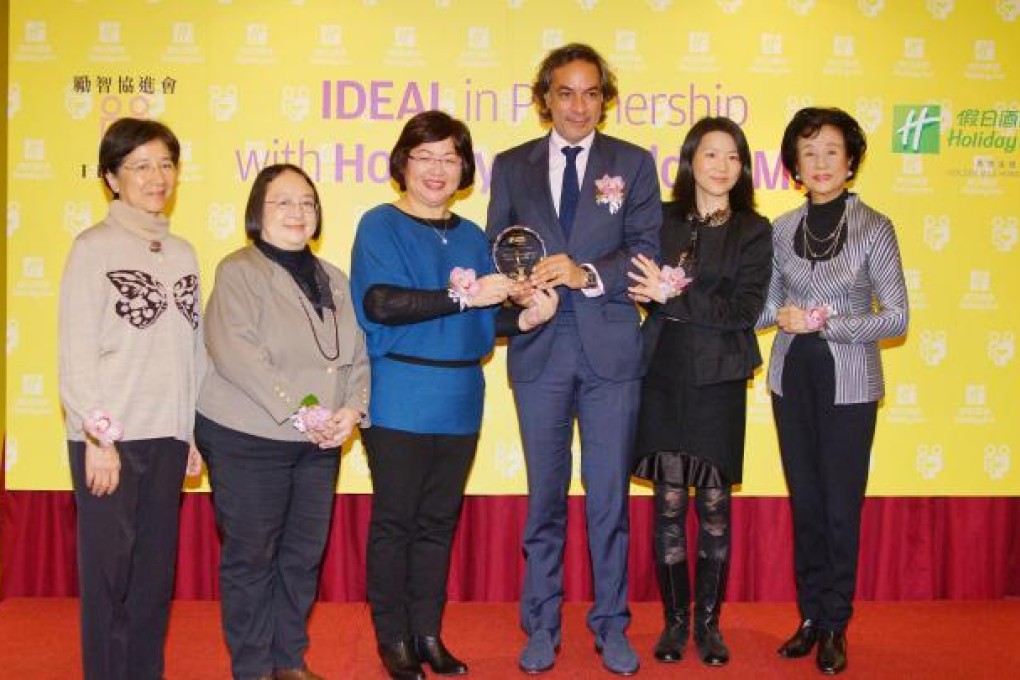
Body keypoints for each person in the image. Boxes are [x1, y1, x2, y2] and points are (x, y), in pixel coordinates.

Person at [351, 110, 558, 680]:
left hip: (461, 396)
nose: (437, 169)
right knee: (396, 521)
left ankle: (428, 633)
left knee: (439, 523)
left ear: (465, 168)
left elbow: (480, 323)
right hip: (399, 394)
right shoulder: (380, 224)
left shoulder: (471, 235)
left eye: (450, 157)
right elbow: (382, 304)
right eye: (425, 156)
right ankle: (392, 637)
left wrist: (528, 319)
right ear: (403, 163)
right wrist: (464, 297)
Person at [485, 43, 660, 676]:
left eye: (591, 93)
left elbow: (646, 250)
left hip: (611, 351)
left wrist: (585, 271)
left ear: (605, 100)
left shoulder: (633, 164)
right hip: (539, 351)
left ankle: (611, 625)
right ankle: (541, 623)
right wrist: (520, 285)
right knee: (544, 500)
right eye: (566, 92)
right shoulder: (511, 166)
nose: (578, 105)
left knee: (609, 499)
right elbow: (496, 251)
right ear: (545, 99)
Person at [195, 163, 370, 680]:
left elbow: (358, 356)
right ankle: (252, 669)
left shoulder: (334, 278)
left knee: (301, 557)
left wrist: (352, 411)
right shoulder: (238, 271)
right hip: (247, 438)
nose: (298, 212)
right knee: (252, 559)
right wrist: (308, 413)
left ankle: (288, 662)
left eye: (307, 203)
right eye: (283, 202)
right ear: (257, 212)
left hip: (316, 445)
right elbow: (239, 355)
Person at [759, 107, 908, 675]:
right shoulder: (779, 229)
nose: (819, 163)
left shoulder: (876, 226)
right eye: (808, 152)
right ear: (794, 165)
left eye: (831, 151)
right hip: (791, 377)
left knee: (841, 506)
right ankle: (809, 619)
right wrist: (772, 314)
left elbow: (896, 317)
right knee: (808, 505)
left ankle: (837, 623)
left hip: (849, 381)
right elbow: (766, 309)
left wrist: (830, 323)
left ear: (850, 161)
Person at [58, 117, 204, 680]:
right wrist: (96, 436)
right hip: (110, 443)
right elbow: (76, 352)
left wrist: (190, 432)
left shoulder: (185, 252)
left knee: (152, 580)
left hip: (167, 440)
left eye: (166, 164)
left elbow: (193, 352)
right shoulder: (92, 248)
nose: (156, 177)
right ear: (112, 179)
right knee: (107, 579)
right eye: (140, 165)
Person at [627, 117, 772, 667]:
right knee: (666, 506)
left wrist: (671, 297)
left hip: (718, 379)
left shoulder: (754, 231)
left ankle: (709, 625)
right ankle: (674, 623)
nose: (720, 165)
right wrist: (658, 296)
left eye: (732, 156)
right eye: (710, 154)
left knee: (713, 507)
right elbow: (637, 285)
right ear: (690, 161)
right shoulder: (659, 220)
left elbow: (743, 311)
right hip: (661, 372)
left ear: (742, 167)